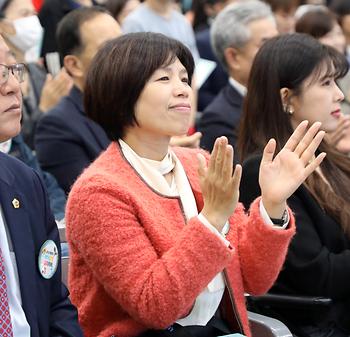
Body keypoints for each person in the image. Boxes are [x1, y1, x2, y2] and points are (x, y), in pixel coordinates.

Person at [66, 32, 326, 337]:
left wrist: (272, 205)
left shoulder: (196, 163)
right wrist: (212, 217)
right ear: (120, 92)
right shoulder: (99, 191)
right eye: (164, 79)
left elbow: (254, 280)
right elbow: (155, 306)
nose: (182, 90)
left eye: (185, 79)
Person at [238, 33, 350, 337]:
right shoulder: (261, 171)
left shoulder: (329, 155)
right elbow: (318, 276)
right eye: (326, 84)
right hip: (320, 322)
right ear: (287, 98)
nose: (339, 95)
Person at [0, 33, 83, 337]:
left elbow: (53, 301)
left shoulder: (23, 180)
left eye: (12, 70)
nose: (12, 87)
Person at [35, 7, 121, 193]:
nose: (124, 55)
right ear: (74, 65)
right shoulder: (57, 126)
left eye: (124, 43)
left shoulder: (133, 106)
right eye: (108, 48)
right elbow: (93, 198)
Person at [197, 0, 277, 152]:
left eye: (278, 41)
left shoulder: (289, 98)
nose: (278, 51)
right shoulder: (219, 119)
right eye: (266, 45)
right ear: (234, 57)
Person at [0, 0, 73, 148]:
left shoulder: (36, 71)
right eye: (24, 14)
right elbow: (15, 144)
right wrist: (44, 108)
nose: (14, 85)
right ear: (2, 24)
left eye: (34, 14)